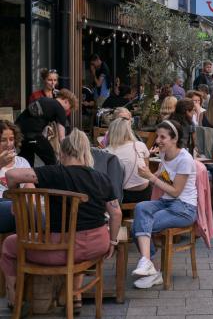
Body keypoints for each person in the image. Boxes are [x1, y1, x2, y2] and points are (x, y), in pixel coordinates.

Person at [1, 129, 122, 308]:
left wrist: (15, 198)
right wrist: (112, 242)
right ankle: (75, 296)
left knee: (10, 244)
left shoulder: (54, 173)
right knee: (75, 241)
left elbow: (12, 175)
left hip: (63, 248)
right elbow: (116, 213)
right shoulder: (101, 177)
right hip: (98, 245)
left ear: (62, 153)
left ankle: (13, 295)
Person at [132, 120, 197, 288]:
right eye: (158, 136)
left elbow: (176, 191)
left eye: (163, 137)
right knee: (140, 208)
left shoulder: (185, 159)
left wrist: (150, 177)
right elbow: (161, 176)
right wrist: (149, 170)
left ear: (174, 139)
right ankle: (149, 265)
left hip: (184, 208)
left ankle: (151, 268)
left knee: (139, 226)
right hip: (166, 202)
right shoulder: (163, 153)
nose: (158, 140)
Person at [16, 89, 78, 166]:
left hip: (20, 134)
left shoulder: (43, 99)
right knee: (52, 160)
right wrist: (66, 153)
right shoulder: (60, 109)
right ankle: (51, 177)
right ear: (66, 101)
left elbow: (37, 119)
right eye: (69, 108)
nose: (68, 111)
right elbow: (62, 138)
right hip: (33, 136)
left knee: (26, 161)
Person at [105, 117, 151, 204]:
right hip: (145, 193)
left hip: (122, 196)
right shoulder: (140, 145)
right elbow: (147, 169)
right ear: (129, 131)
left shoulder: (108, 151)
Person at [0, 121, 34, 234]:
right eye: (3, 140)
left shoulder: (22, 162)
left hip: (22, 206)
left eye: (11, 139)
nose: (9, 144)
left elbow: (31, 189)